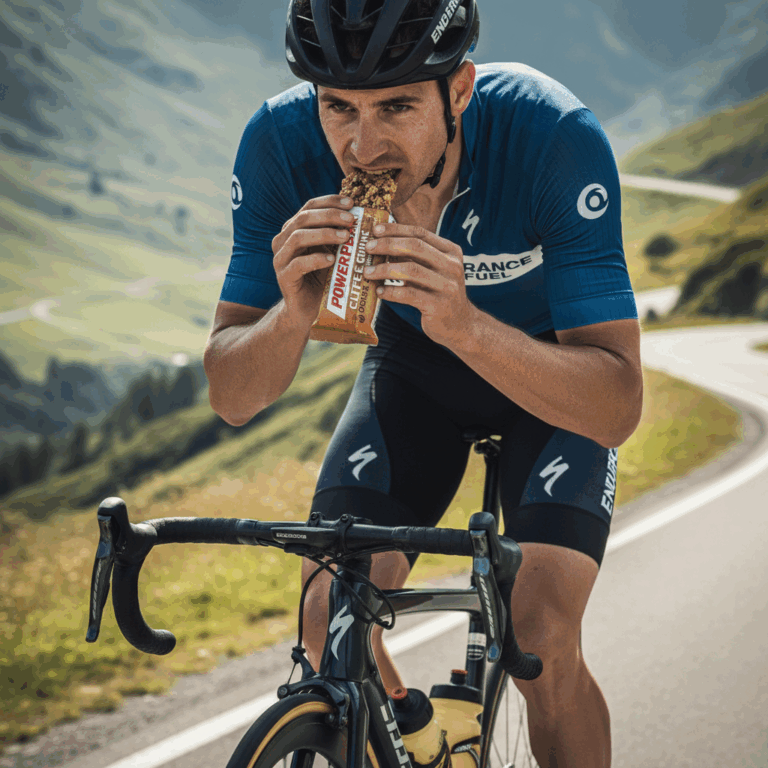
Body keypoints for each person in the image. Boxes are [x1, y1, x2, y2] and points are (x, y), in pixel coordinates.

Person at [204, 0, 642, 765]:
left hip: (555, 373)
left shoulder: (553, 138)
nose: (360, 145)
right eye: (337, 107)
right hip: (413, 372)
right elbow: (233, 396)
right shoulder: (277, 145)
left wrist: (466, 324)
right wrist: (291, 315)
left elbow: (616, 407)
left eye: (397, 106)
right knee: (325, 618)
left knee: (537, 640)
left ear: (460, 90)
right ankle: (418, 733)